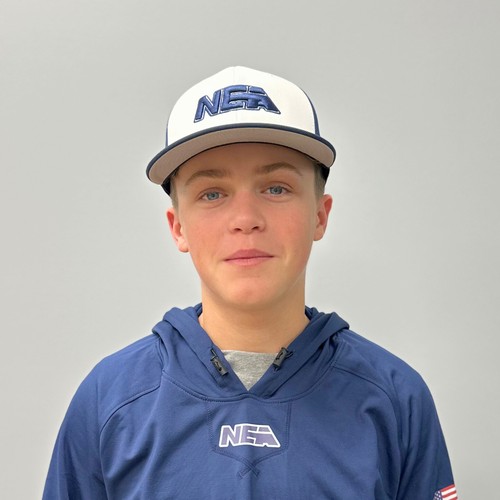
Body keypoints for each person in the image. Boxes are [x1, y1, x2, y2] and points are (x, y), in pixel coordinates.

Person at [43, 66, 457, 499]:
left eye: (276, 188)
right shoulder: (109, 399)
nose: (245, 220)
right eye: (212, 194)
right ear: (177, 226)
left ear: (320, 215)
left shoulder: (395, 398)